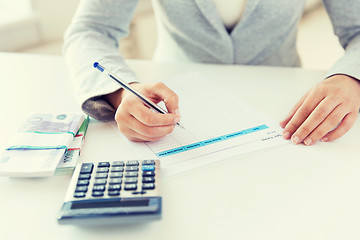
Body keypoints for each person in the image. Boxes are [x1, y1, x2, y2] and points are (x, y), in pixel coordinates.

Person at [63, 0, 360, 145]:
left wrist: (350, 77)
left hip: (283, 108)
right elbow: (90, 30)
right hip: (173, 110)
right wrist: (120, 90)